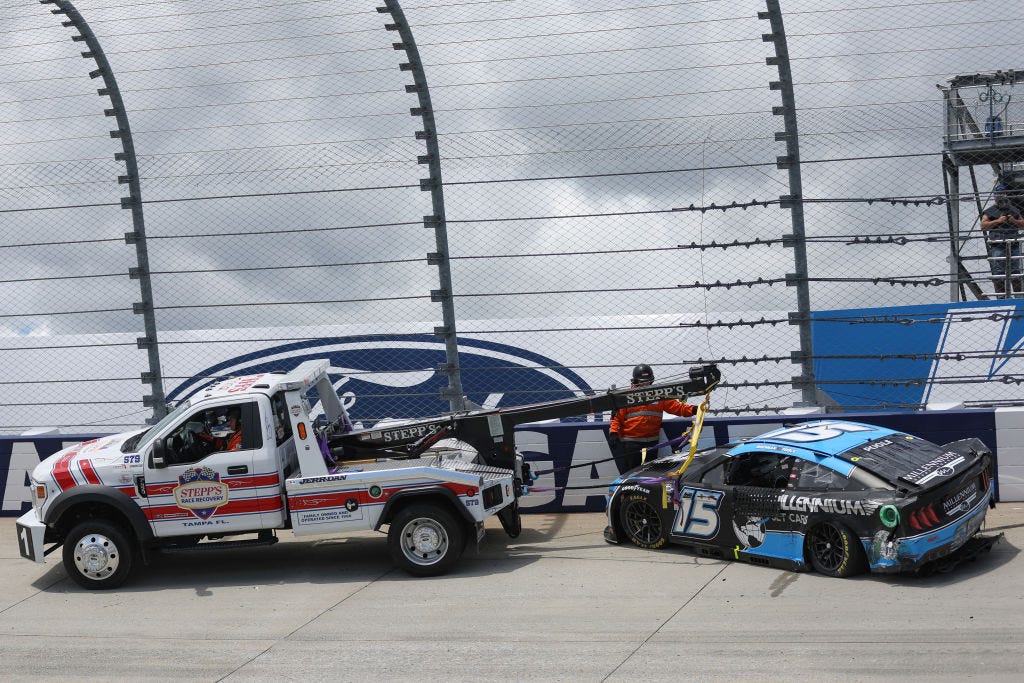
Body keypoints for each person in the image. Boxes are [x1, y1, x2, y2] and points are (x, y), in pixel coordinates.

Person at [607, 364, 696, 472]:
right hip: (631, 443)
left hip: (652, 443)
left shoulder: (658, 395)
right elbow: (616, 417)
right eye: (642, 381)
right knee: (630, 473)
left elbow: (677, 408)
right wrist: (613, 432)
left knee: (650, 473)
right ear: (635, 381)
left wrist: (694, 409)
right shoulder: (626, 397)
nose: (645, 383)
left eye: (648, 380)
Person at [981, 183, 1024, 297]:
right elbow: (983, 225)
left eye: (1003, 193)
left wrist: (1014, 221)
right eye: (998, 193)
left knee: (1015, 272)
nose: (1001, 195)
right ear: (994, 195)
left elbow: (1023, 224)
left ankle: (1019, 296)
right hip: (997, 244)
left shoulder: (1013, 209)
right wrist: (998, 221)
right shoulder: (990, 210)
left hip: (1013, 243)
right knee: (998, 272)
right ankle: (1001, 297)